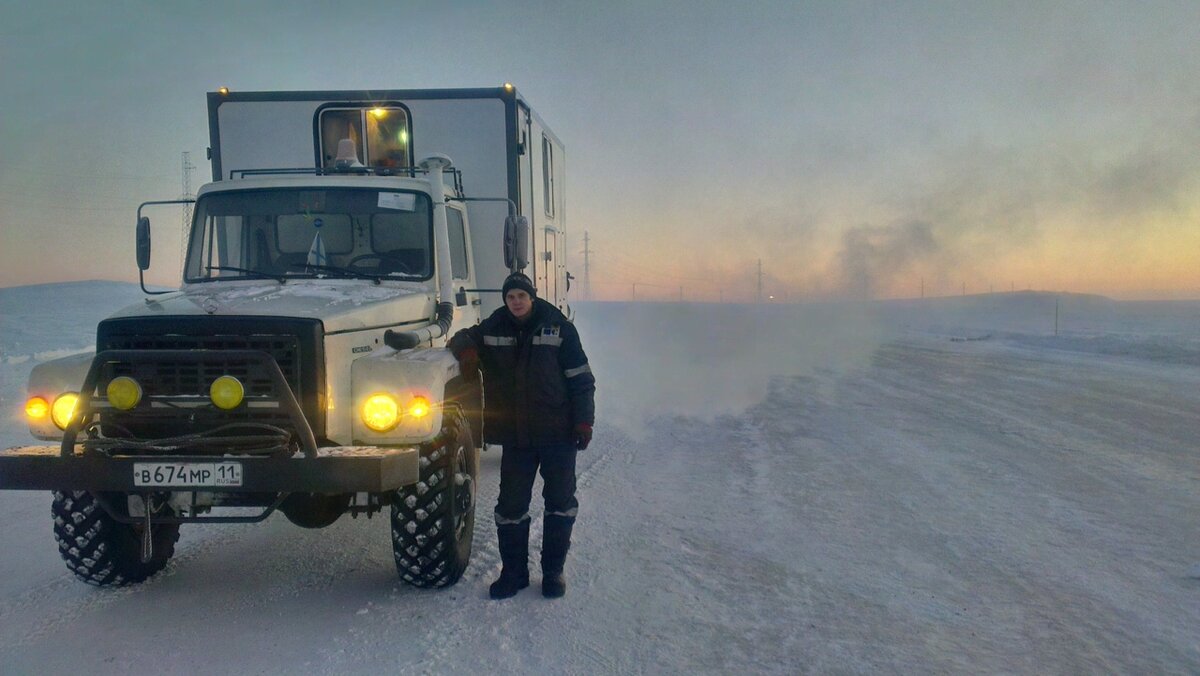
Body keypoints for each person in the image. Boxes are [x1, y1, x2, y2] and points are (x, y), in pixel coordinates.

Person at [448, 272, 595, 599]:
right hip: (518, 438)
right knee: (511, 506)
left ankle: (553, 572)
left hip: (558, 433)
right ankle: (514, 574)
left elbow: (582, 380)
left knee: (560, 504)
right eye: (510, 297)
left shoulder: (559, 328)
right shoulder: (495, 325)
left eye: (521, 296)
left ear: (532, 297)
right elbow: (461, 337)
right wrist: (468, 352)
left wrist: (584, 422)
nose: (516, 302)